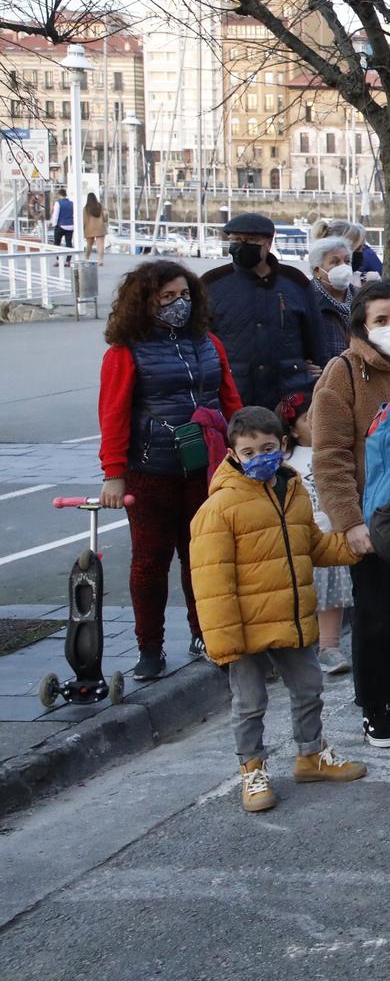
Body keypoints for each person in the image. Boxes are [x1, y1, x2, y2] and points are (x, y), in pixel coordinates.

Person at [192, 406, 368, 812]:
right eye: (249, 451)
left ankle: (311, 755)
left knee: (309, 689)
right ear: (234, 454)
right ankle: (252, 769)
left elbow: (312, 545)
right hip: (244, 629)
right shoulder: (218, 509)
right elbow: (212, 583)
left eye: (268, 448)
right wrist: (224, 643)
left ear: (283, 445)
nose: (260, 457)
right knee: (250, 703)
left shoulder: (293, 491)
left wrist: (354, 547)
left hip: (290, 618)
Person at [308, 282, 390, 749]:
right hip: (371, 518)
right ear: (361, 326)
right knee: (374, 617)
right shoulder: (341, 373)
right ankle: (374, 706)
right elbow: (329, 455)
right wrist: (350, 521)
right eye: (380, 320)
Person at [98, 260, 245, 678]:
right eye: (167, 297)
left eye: (184, 295)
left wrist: (243, 449)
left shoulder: (209, 343)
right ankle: (150, 646)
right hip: (151, 469)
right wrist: (114, 473)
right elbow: (113, 415)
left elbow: (229, 400)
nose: (178, 304)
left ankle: (206, 634)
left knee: (202, 557)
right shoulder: (125, 352)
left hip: (207, 467)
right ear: (145, 302)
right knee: (150, 561)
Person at [204, 212, 325, 409]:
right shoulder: (212, 283)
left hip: (289, 398)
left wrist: (315, 375)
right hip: (234, 397)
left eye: (251, 240)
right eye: (235, 240)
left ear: (268, 243)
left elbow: (316, 339)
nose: (242, 245)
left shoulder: (295, 282)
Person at [285, 406, 351, 677]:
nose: (314, 423)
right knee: (303, 597)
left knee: (331, 597)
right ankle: (300, 647)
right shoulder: (286, 461)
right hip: (300, 539)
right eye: (305, 419)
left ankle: (329, 646)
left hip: (330, 536)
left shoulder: (331, 451)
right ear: (291, 429)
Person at [307, 235, 356, 359]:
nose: (343, 266)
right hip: (324, 373)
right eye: (335, 262)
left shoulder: (363, 298)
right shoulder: (306, 300)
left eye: (347, 261)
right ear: (317, 270)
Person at [82, 192, 107, 264]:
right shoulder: (100, 206)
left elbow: (84, 220)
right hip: (100, 228)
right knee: (100, 245)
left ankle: (86, 258)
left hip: (89, 228)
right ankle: (100, 260)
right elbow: (105, 215)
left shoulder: (86, 209)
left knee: (89, 245)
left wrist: (83, 229)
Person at [52, 187, 74, 260]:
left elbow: (56, 215)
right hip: (70, 225)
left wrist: (54, 224)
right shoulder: (71, 203)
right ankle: (68, 260)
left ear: (59, 195)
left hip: (61, 225)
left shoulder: (58, 203)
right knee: (69, 243)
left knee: (57, 243)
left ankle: (57, 259)